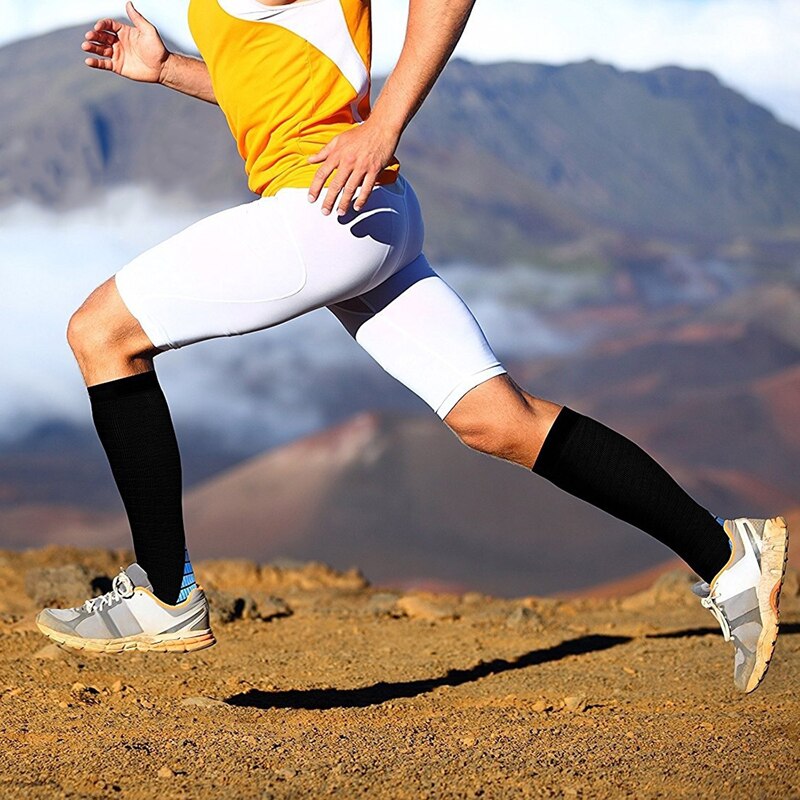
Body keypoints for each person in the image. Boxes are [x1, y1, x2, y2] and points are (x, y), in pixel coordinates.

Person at [35, 0, 788, 694]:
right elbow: (281, 87)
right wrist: (168, 70)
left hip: (322, 211)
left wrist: (385, 123)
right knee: (498, 420)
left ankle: (165, 593)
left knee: (101, 332)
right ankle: (725, 555)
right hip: (365, 209)